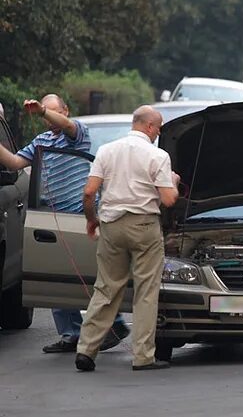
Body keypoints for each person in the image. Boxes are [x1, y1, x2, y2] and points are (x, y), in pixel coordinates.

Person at [0, 95, 130, 353]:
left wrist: (41, 112)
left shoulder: (78, 133)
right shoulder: (41, 141)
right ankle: (71, 333)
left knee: (93, 274)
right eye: (46, 114)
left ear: (65, 111)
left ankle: (115, 325)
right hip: (53, 216)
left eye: (53, 112)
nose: (49, 120)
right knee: (58, 276)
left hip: (81, 217)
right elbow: (15, 163)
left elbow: (67, 126)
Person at [75, 105, 180, 372]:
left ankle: (86, 350)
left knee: (106, 288)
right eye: (158, 127)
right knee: (145, 292)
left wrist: (91, 219)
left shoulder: (106, 151)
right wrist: (174, 181)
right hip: (144, 226)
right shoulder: (158, 155)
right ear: (149, 127)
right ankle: (143, 356)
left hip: (111, 225)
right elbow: (168, 200)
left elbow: (89, 193)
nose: (158, 132)